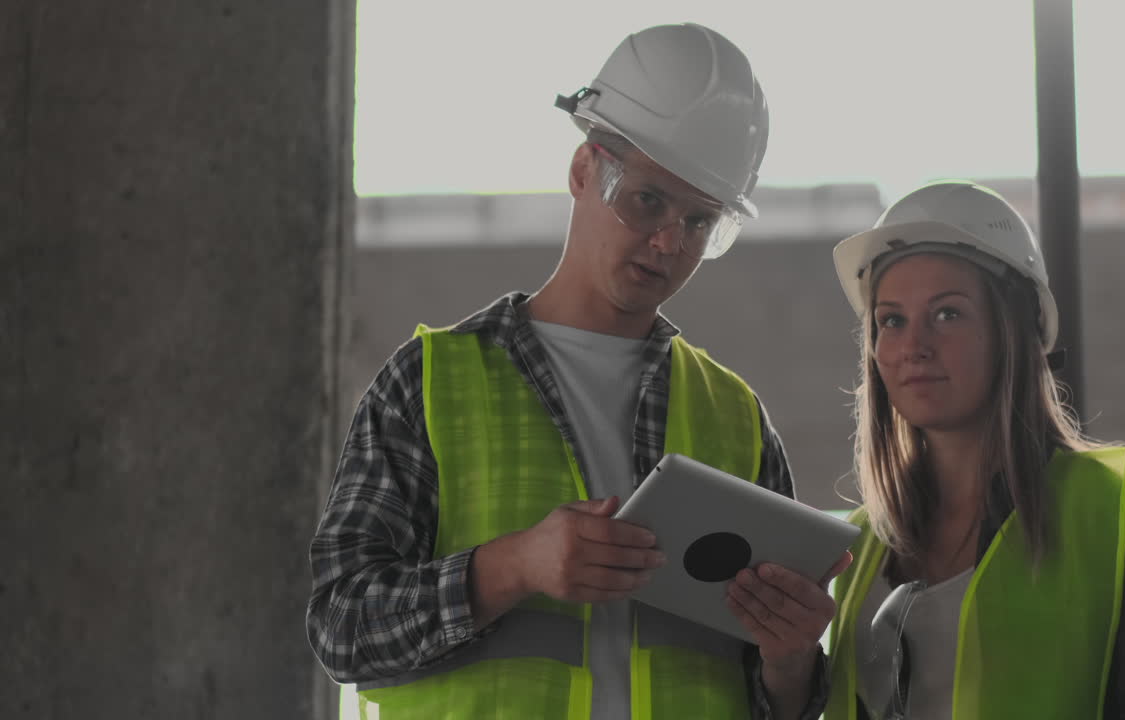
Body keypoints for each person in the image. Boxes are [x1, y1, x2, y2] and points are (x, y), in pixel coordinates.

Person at [306, 23, 848, 720]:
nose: (667, 242)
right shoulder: (430, 383)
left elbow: (772, 701)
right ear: (583, 170)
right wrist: (515, 567)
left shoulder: (735, 417)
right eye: (648, 200)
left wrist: (792, 659)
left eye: (699, 221)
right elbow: (341, 629)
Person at [822, 180, 1125, 719]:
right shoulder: (861, 543)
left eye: (947, 314)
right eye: (892, 320)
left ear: (1014, 329)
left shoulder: (1106, 515)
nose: (914, 346)